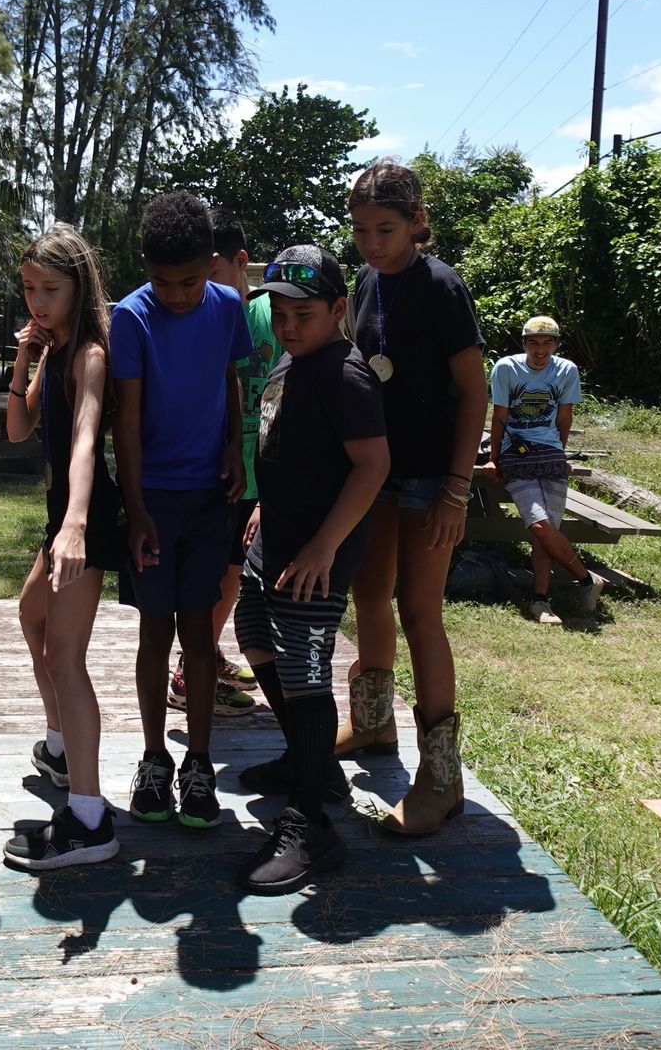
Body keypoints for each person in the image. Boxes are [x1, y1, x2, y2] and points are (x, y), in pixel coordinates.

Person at [231, 247, 389, 892]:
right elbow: (293, 450)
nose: (290, 325)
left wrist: (325, 546)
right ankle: (310, 758)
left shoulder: (344, 374)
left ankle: (313, 821)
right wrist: (267, 505)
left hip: (315, 555)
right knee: (252, 634)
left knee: (303, 669)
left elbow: (371, 466)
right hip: (280, 537)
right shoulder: (293, 366)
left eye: (305, 313)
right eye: (281, 312)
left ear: (337, 310)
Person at [345, 161, 487, 836]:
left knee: (419, 610)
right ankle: (372, 729)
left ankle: (442, 780)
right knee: (368, 598)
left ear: (416, 222)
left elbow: (475, 394)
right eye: (362, 229)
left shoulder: (442, 286)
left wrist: (457, 490)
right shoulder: (366, 282)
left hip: (432, 477)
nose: (372, 243)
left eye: (387, 229)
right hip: (375, 472)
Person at [112, 191, 253, 829]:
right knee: (153, 630)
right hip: (154, 500)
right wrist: (136, 509)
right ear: (145, 268)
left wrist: (232, 448)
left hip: (208, 499)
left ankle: (198, 762)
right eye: (161, 281)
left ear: (213, 266)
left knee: (199, 632)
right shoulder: (131, 317)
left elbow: (232, 381)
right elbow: (128, 420)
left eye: (190, 280)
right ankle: (152, 758)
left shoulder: (228, 309)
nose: (175, 294)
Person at [0, 225, 127, 870]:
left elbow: (84, 438)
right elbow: (19, 427)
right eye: (28, 289)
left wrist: (75, 521)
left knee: (68, 656)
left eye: (50, 289)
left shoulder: (89, 356)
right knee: (31, 617)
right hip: (61, 516)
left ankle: (88, 815)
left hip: (86, 513)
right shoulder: (53, 351)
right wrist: (25, 357)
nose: (37, 301)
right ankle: (58, 745)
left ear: (81, 286)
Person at [167, 207, 266, 719]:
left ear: (239, 263)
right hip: (218, 470)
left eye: (213, 272)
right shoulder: (199, 313)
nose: (202, 286)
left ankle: (206, 650)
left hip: (259, 468)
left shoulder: (269, 313)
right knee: (220, 574)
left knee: (234, 572)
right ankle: (190, 668)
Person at [488, 315, 600, 624]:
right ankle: (587, 580)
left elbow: (565, 416)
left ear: (556, 345)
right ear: (523, 344)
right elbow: (499, 414)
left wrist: (559, 451)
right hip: (515, 452)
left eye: (547, 343)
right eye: (533, 343)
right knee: (538, 523)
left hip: (549, 452)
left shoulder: (566, 370)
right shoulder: (506, 368)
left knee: (546, 531)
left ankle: (540, 601)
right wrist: (494, 457)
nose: (540, 350)